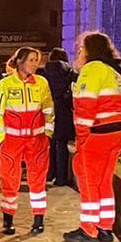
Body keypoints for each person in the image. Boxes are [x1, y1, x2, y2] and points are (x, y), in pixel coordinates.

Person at [65, 31, 121, 242]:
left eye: (82, 49)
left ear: (89, 50)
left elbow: (85, 107)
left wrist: (81, 140)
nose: (79, 53)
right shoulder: (119, 72)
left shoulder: (92, 69)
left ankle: (88, 228)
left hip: (99, 131)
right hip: (119, 131)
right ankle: (105, 227)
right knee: (105, 180)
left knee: (88, 180)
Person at [0, 46, 54, 235]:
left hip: (37, 141)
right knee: (9, 180)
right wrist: (2, 138)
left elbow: (49, 110)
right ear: (20, 61)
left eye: (37, 60)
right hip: (12, 141)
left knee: (38, 181)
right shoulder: (5, 84)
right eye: (31, 60)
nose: (35, 64)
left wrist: (48, 135)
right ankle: (8, 221)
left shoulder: (42, 83)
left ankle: (38, 220)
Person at [40, 47, 75, 189]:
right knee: (62, 144)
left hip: (48, 112)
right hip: (64, 111)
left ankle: (49, 173)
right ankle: (61, 178)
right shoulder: (70, 72)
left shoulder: (43, 73)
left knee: (50, 144)